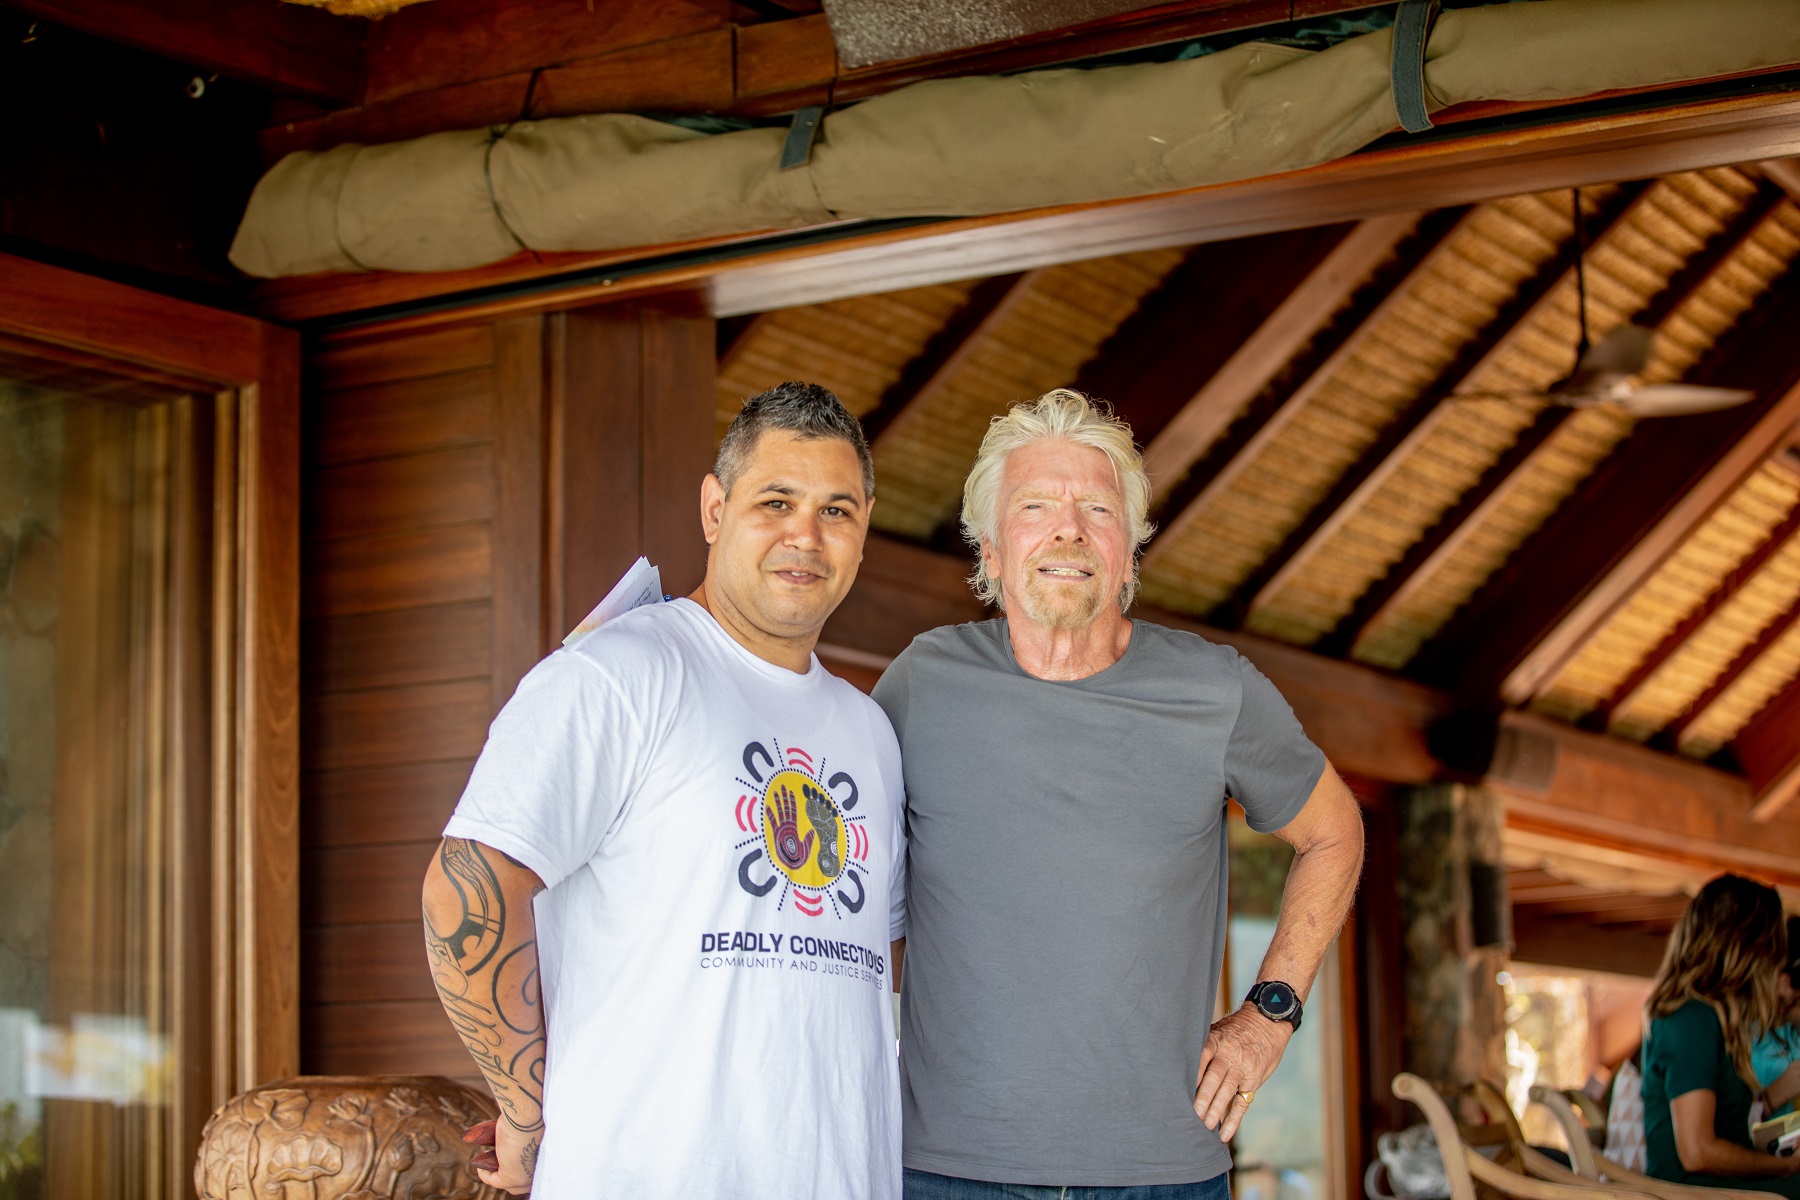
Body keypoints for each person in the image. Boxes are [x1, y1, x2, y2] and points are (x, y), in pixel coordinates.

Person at [871, 389, 1366, 1197]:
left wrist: (1270, 1013)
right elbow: (857, 888)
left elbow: (1335, 831)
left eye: (1096, 509)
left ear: (1129, 553)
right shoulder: (921, 683)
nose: (1068, 529)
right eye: (1035, 505)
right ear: (990, 551)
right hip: (946, 1171)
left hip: (1164, 1174)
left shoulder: (1217, 690)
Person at [421, 382, 907, 1198]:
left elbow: (882, 962)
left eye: (837, 511)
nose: (806, 536)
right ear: (715, 509)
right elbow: (465, 886)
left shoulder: (872, 733)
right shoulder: (618, 675)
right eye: (776, 502)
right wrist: (527, 1110)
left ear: (864, 531)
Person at [1642, 874, 1800, 1196]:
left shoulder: (1713, 1019)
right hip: (1695, 1192)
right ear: (1749, 949)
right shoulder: (1690, 1019)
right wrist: (1783, 1166)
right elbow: (1698, 1152)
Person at [1754, 918, 1800, 1119]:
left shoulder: (1794, 1032)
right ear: (1785, 985)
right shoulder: (1742, 1037)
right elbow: (1725, 1127)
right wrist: (1771, 1097)